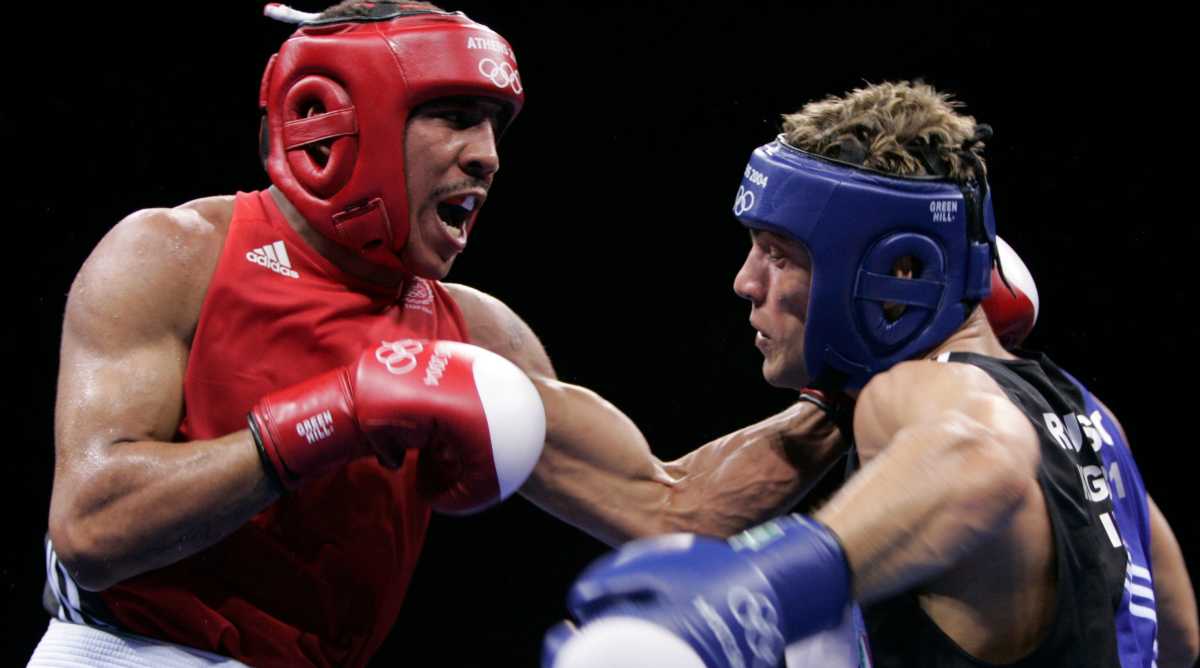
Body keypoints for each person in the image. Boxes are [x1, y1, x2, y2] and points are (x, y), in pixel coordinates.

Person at [28, 3, 868, 665]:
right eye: (455, 116)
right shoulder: (176, 254)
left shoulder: (475, 332)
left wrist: (855, 382)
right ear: (332, 119)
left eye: (496, 125)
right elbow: (93, 529)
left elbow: (669, 506)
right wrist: (333, 415)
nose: (487, 156)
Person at [543, 82, 1200, 668]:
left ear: (900, 271)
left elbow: (981, 454)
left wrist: (753, 593)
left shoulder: (912, 396)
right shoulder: (1092, 422)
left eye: (778, 253)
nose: (746, 282)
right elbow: (1177, 638)